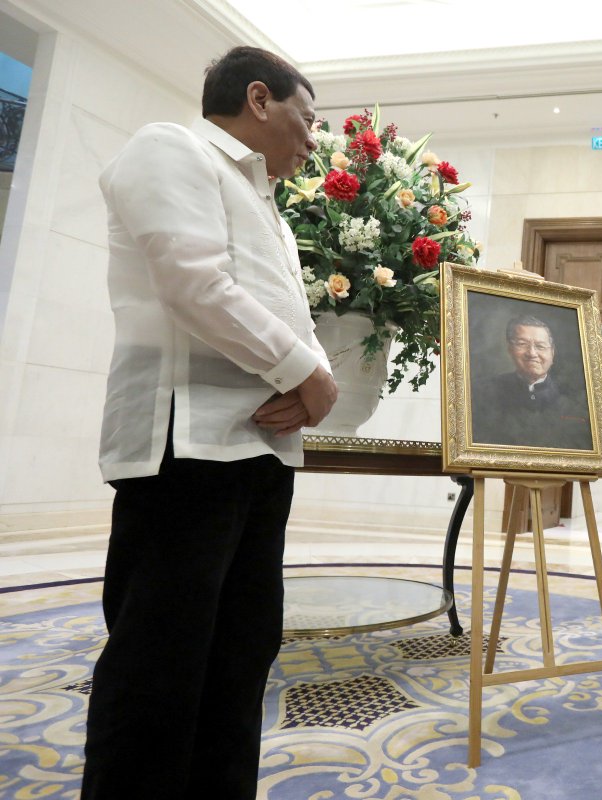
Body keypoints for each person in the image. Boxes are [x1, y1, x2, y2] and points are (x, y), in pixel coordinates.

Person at [82, 46, 338, 799]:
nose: (314, 139)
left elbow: (296, 321)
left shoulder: (273, 213)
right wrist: (307, 374)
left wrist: (312, 379)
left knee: (241, 657)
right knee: (159, 664)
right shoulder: (171, 148)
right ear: (259, 99)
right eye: (308, 118)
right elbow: (193, 282)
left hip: (261, 450)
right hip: (184, 446)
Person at [471, 315, 592, 450]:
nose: (532, 353)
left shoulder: (578, 399)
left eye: (540, 346)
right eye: (522, 344)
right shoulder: (482, 393)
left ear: (552, 353)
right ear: (510, 349)